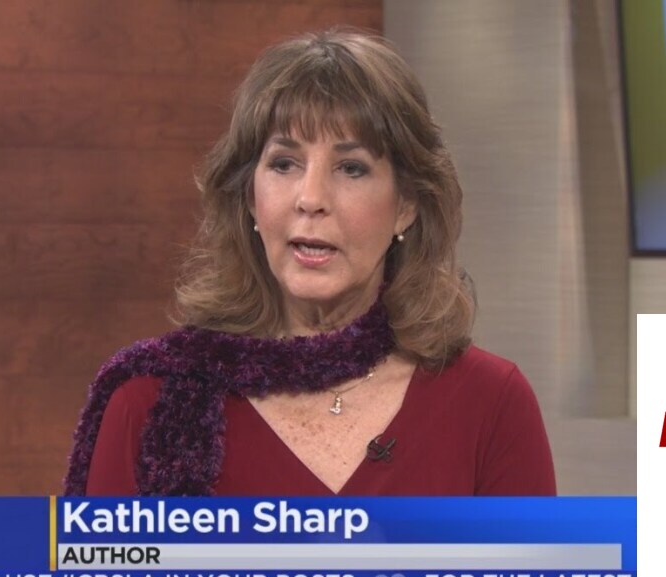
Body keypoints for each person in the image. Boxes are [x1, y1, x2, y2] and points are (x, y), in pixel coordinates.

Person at [63, 29, 555, 497]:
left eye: (351, 168)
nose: (311, 198)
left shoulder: (491, 404)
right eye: (284, 163)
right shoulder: (149, 400)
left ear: (406, 205)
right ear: (250, 198)